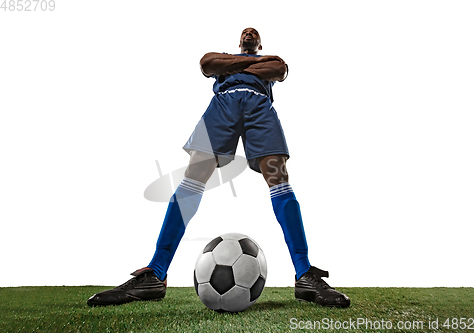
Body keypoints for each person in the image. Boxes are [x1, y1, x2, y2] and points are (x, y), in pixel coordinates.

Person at [87, 28, 350, 308]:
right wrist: (251, 64)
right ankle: (155, 273)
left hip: (259, 106)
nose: (249, 33)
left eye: (254, 33)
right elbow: (206, 63)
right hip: (222, 105)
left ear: (260, 44)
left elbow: (278, 69)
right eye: (245, 32)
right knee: (194, 176)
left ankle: (304, 274)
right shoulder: (225, 58)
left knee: (278, 177)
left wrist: (236, 65)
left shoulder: (261, 61)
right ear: (239, 42)